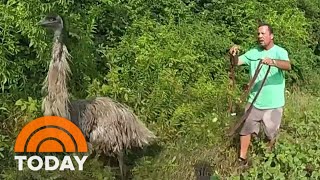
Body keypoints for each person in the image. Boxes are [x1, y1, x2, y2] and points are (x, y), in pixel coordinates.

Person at [228, 22, 291, 166]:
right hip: (254, 101)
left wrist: (273, 62)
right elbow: (236, 62)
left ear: (271, 35)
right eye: (258, 34)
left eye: (263, 33)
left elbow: (288, 66)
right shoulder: (253, 52)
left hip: (274, 104)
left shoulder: (279, 51)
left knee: (271, 134)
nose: (260, 36)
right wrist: (233, 54)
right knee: (246, 129)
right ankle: (242, 158)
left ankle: (267, 159)